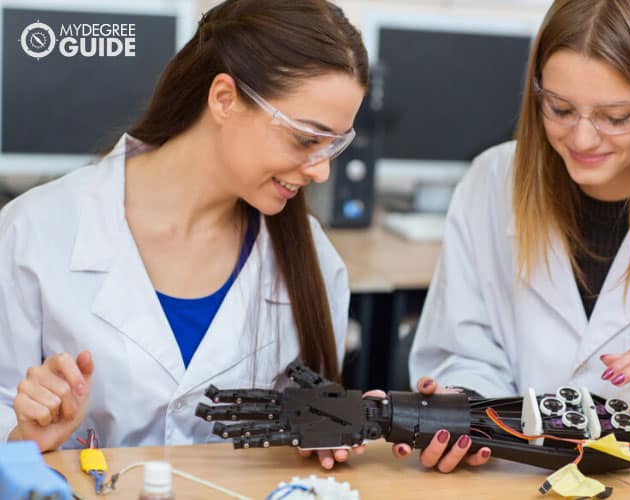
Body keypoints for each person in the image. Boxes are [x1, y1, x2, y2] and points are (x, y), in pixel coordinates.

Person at [399, 0, 630, 473]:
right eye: (559, 108)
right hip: (516, 470)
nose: (582, 139)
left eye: (616, 118)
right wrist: (466, 409)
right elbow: (461, 352)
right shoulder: (492, 181)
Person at [0, 0, 368, 470]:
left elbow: (308, 458)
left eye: (334, 145)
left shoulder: (313, 260)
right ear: (223, 99)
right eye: (305, 138)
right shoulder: (36, 231)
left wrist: (339, 429)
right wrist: (25, 436)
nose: (321, 171)